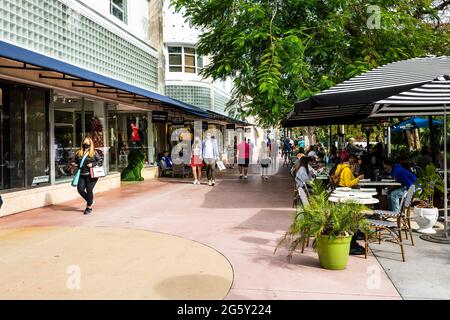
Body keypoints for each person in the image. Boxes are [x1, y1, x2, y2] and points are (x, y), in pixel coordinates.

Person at [72, 137, 102, 215]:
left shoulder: (94, 152)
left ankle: (89, 207)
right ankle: (90, 201)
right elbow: (74, 161)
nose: (85, 144)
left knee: (89, 190)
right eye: (84, 143)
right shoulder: (79, 152)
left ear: (90, 144)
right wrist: (74, 164)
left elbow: (100, 161)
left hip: (91, 175)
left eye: (87, 143)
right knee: (80, 189)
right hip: (81, 174)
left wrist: (93, 164)